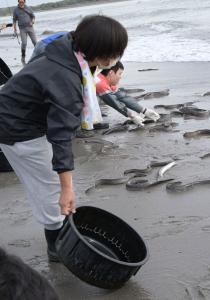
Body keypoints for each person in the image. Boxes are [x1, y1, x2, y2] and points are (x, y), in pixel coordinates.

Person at [0, 15, 128, 262]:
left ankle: (59, 230)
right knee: (52, 188)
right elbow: (60, 137)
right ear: (99, 52)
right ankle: (56, 247)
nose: (115, 59)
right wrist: (67, 189)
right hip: (17, 128)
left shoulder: (65, 47)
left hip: (14, 112)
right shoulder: (66, 78)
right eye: (113, 52)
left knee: (52, 181)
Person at [96, 61, 160, 126]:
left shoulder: (106, 81)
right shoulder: (100, 83)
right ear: (111, 73)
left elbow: (123, 97)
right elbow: (114, 102)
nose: (120, 77)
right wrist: (132, 116)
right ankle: (91, 123)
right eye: (119, 74)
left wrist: (144, 110)